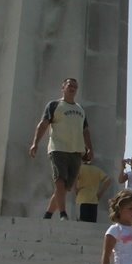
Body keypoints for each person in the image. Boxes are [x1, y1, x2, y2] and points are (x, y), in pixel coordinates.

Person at [28, 78, 94, 220]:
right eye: (70, 85)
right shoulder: (54, 105)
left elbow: (86, 130)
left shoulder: (80, 109)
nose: (73, 88)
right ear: (63, 87)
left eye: (75, 87)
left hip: (76, 151)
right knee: (59, 181)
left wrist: (89, 148)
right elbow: (43, 124)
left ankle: (48, 215)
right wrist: (35, 143)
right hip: (58, 148)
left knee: (65, 189)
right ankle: (63, 214)